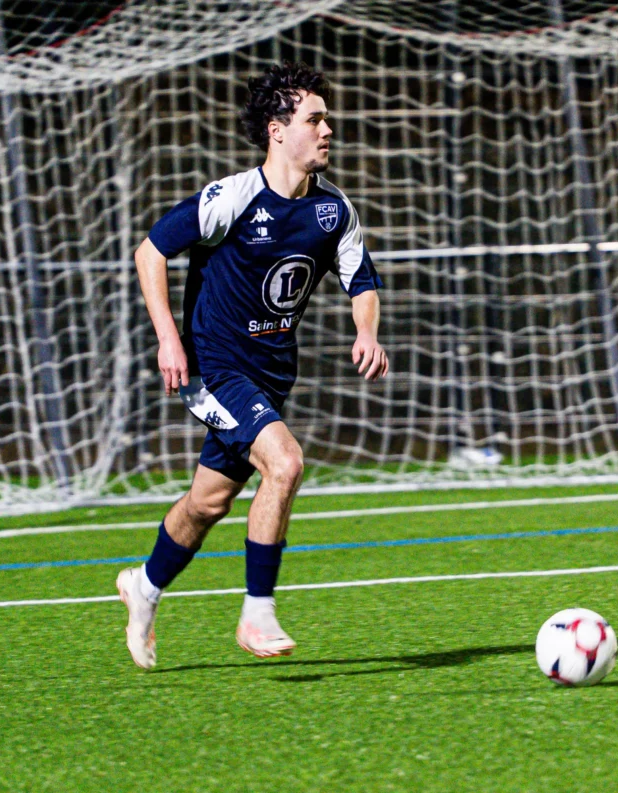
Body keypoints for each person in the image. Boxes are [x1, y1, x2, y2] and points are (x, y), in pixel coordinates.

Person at [117, 61, 388, 669]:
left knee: (207, 503)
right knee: (284, 463)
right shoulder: (233, 198)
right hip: (214, 369)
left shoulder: (333, 211)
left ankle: (145, 585)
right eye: (314, 119)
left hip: (271, 375)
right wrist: (168, 339)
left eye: (326, 119)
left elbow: (361, 281)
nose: (327, 130)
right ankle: (257, 612)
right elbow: (150, 251)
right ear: (277, 130)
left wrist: (366, 332)